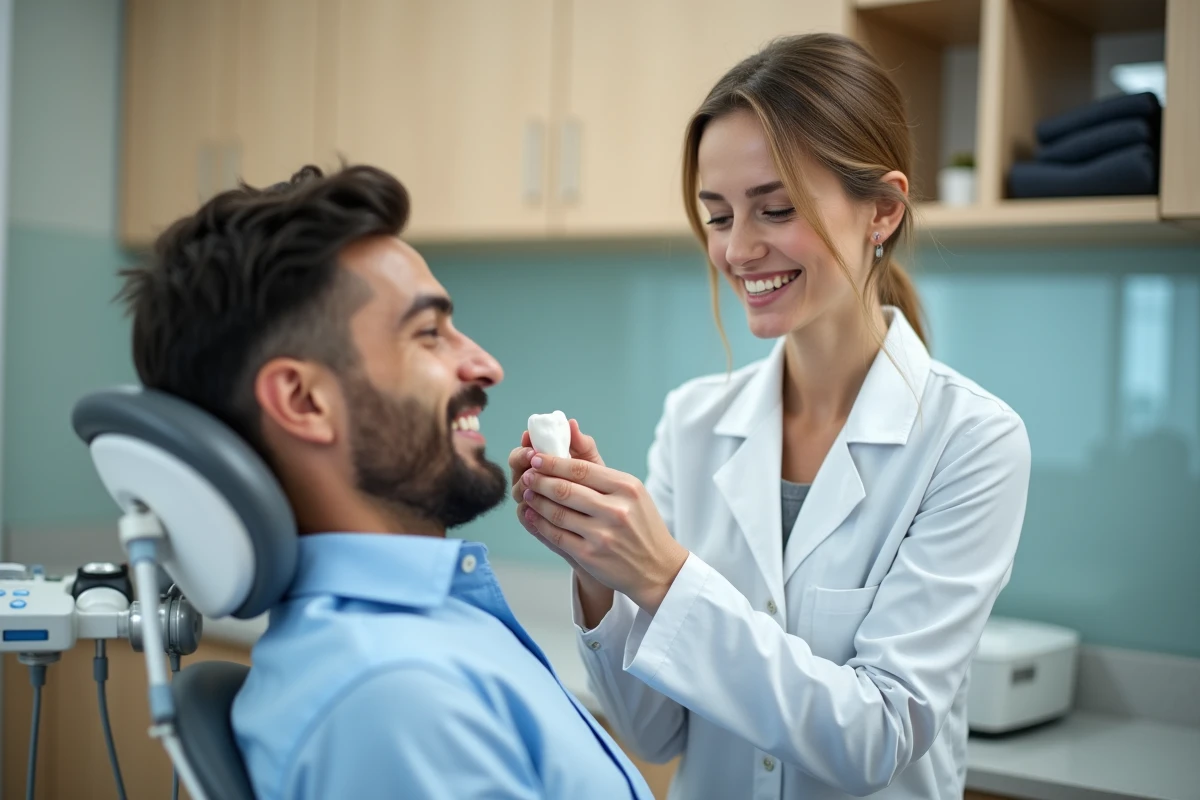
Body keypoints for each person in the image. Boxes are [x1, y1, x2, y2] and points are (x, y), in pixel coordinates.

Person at [510, 32, 1031, 800]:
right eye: (717, 217)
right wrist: (600, 572)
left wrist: (664, 575)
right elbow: (652, 729)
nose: (739, 249)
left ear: (882, 210)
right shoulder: (693, 422)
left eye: (775, 209)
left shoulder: (972, 441)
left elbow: (877, 735)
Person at [117, 164, 654, 800]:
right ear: (303, 400)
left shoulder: (427, 634)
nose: (486, 365)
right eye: (429, 334)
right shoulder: (394, 700)